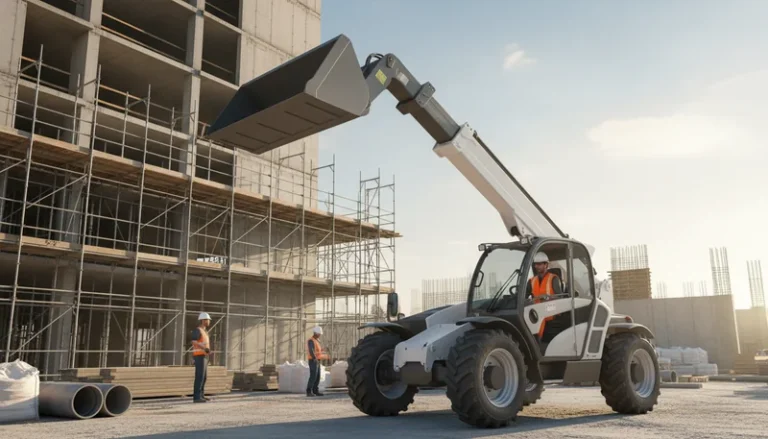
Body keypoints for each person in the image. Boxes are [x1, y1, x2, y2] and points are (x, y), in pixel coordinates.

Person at [525, 252, 563, 338]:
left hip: (550, 313)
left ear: (546, 264)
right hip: (536, 313)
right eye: (535, 264)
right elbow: (524, 297)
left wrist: (548, 298)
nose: (536, 266)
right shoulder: (531, 281)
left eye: (539, 264)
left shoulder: (554, 278)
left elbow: (560, 298)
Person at [191, 312, 211, 403]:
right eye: (207, 320)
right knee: (199, 376)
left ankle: (201, 395)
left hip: (204, 356)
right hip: (199, 356)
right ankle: (197, 397)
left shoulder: (205, 332)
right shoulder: (198, 330)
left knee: (204, 376)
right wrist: (204, 348)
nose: (208, 321)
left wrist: (207, 351)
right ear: (202, 320)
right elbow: (194, 342)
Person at [306, 326, 329, 397]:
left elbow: (317, 351)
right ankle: (309, 391)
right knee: (313, 376)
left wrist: (323, 349)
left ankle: (315, 391)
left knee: (317, 376)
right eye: (319, 333)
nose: (320, 335)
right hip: (313, 360)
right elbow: (311, 350)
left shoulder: (316, 341)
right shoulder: (311, 340)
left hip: (317, 360)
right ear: (315, 333)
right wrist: (314, 358)